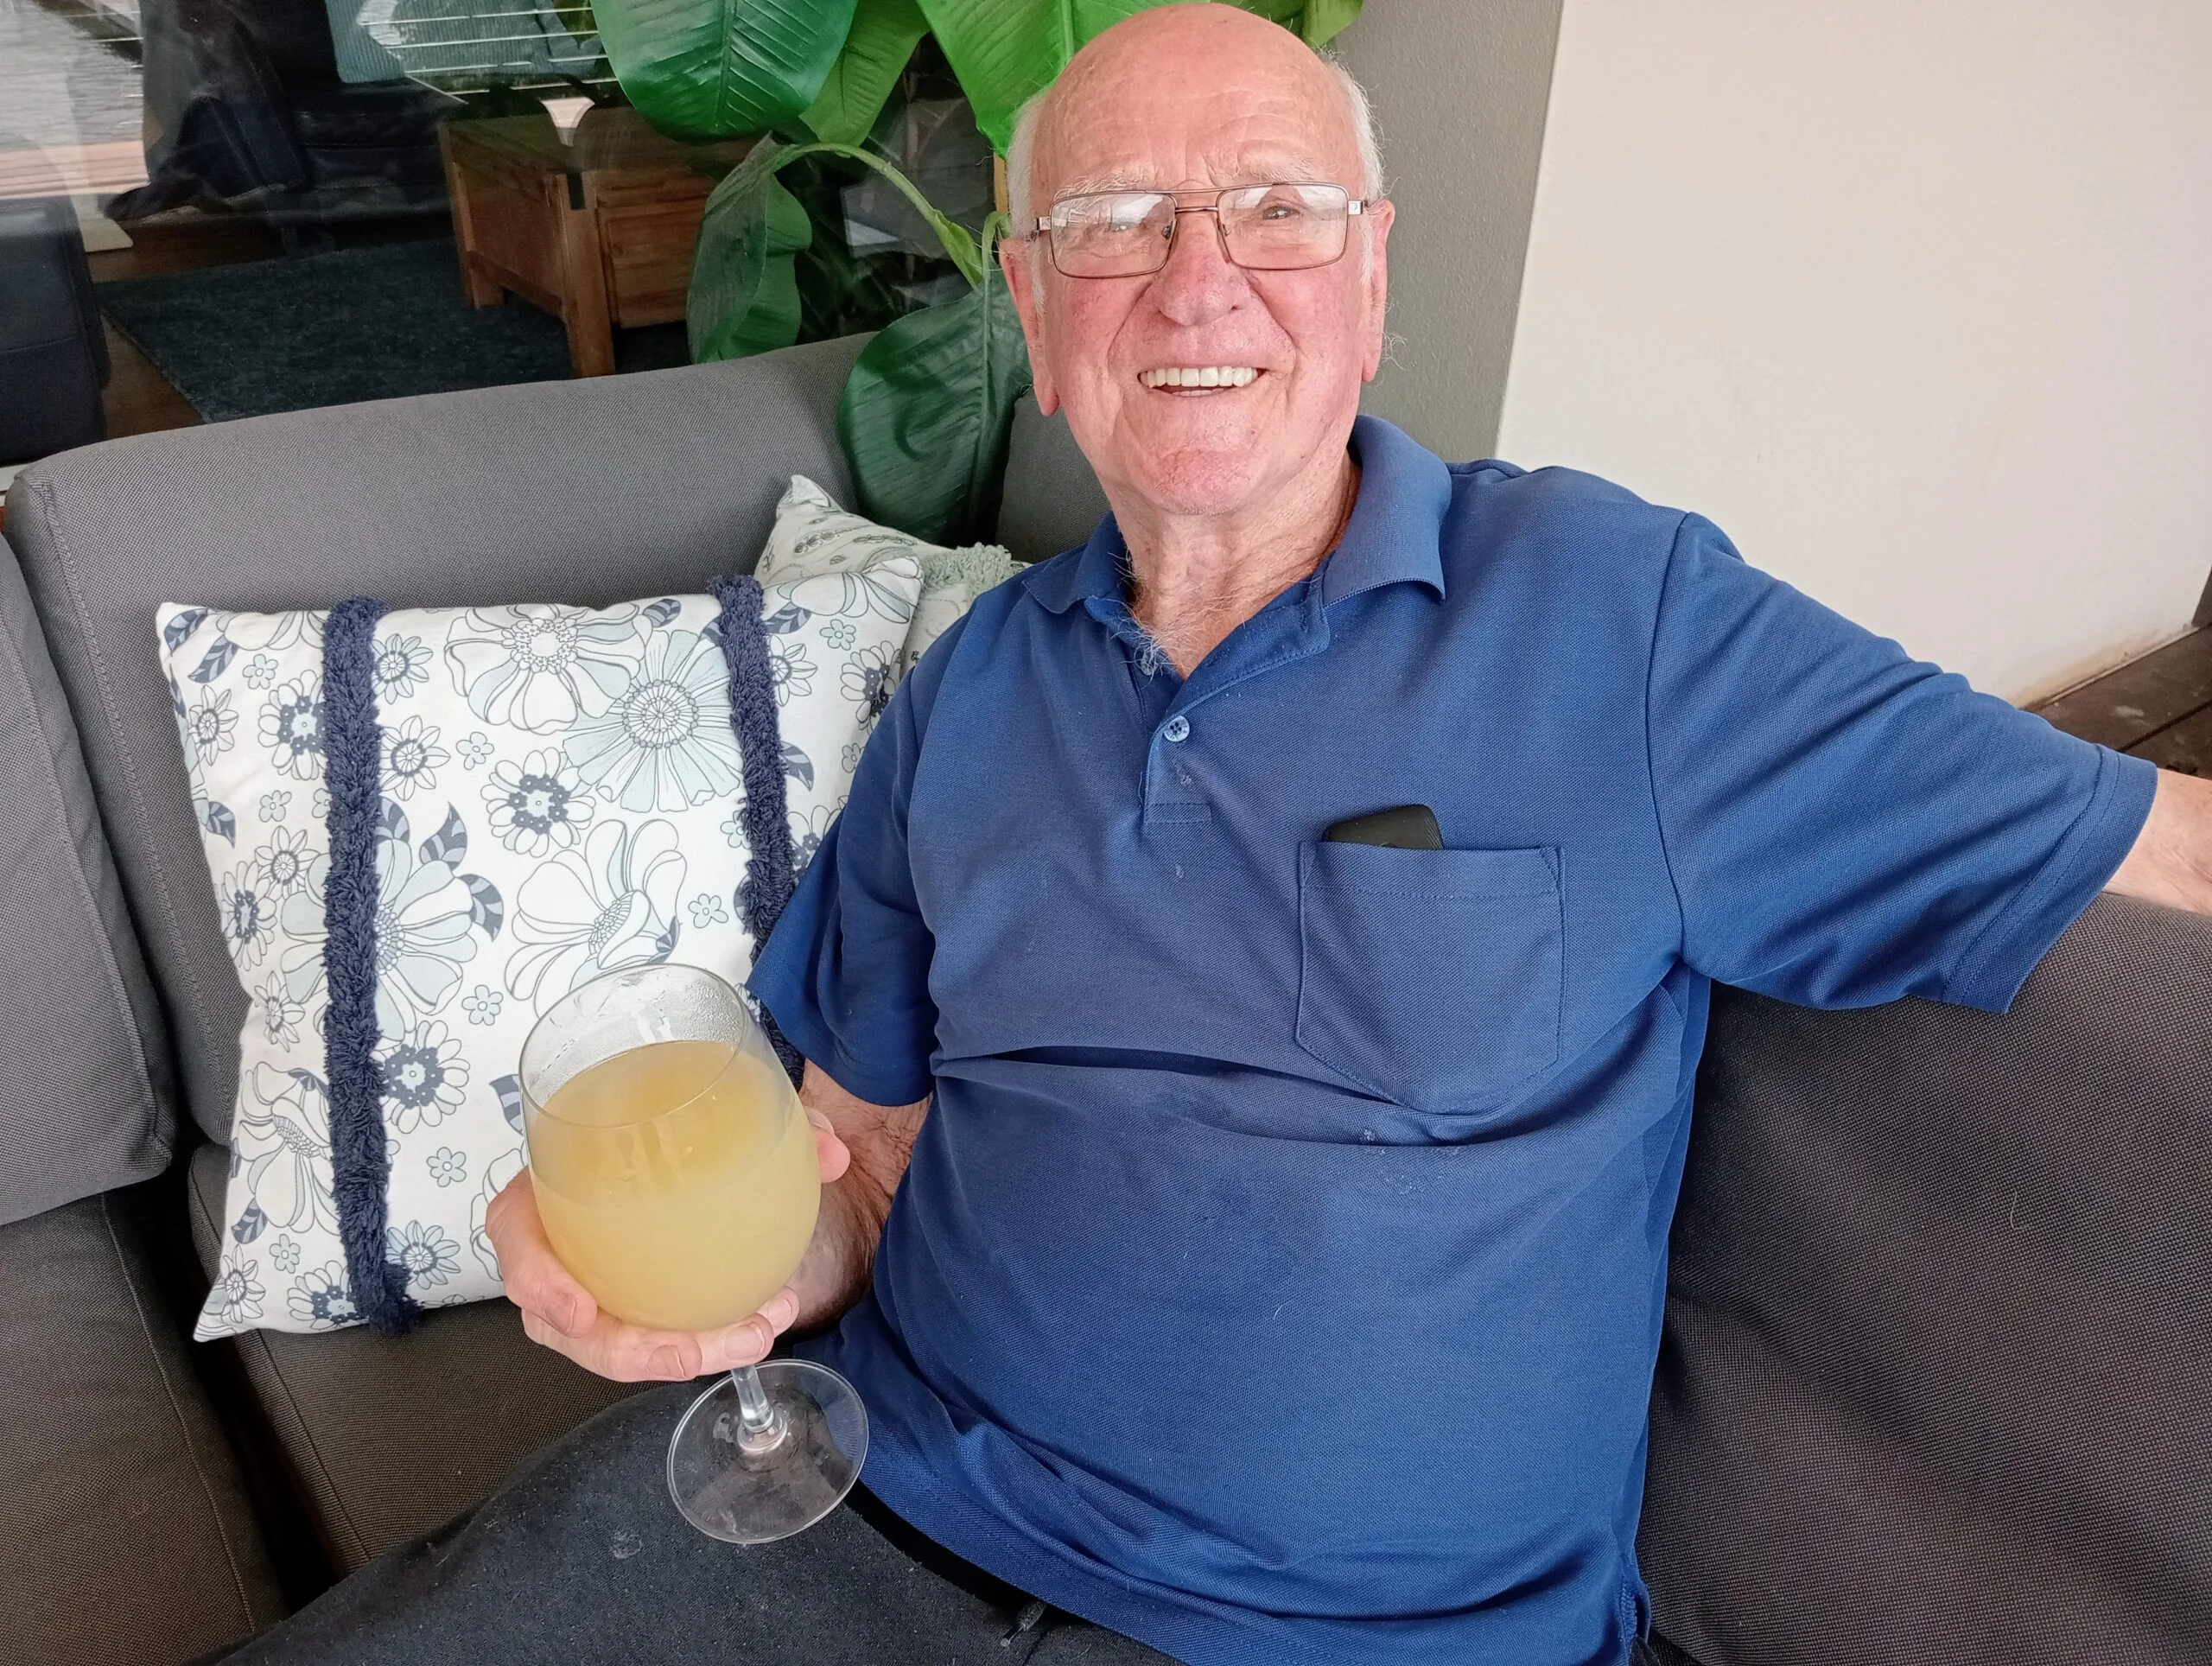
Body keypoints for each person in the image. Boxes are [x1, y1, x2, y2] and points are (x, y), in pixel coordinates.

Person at [229, 7, 2212, 1665]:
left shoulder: (1622, 621)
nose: (1198, 279)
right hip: (852, 1523)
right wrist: (704, 1276)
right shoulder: (973, 689)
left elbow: (2159, 846)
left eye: (1276, 209)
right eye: (1112, 220)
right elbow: (853, 1162)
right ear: (1028, 294)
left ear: (1371, 275)